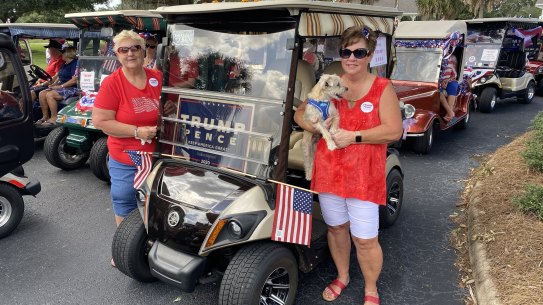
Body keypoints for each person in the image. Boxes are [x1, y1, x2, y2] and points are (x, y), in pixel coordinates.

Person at [294, 26, 403, 305]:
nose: (351, 57)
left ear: (369, 56)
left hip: (364, 176)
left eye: (359, 52)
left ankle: (371, 288)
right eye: (346, 52)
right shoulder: (329, 82)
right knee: (336, 229)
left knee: (365, 239)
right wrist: (315, 126)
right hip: (330, 171)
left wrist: (354, 136)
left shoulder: (382, 88)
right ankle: (343, 276)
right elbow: (299, 114)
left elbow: (393, 131)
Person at [91, 30, 162, 266]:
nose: (130, 53)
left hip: (159, 154)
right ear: (116, 54)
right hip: (126, 154)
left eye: (135, 48)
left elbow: (173, 105)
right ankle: (124, 247)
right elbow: (101, 121)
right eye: (124, 49)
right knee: (124, 198)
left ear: (144, 51)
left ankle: (157, 243)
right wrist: (137, 132)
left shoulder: (157, 78)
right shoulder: (112, 83)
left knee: (160, 200)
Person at [36, 46, 79, 126]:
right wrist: (53, 85)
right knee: (42, 93)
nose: (61, 54)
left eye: (62, 52)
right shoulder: (64, 64)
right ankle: (45, 117)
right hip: (62, 86)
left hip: (72, 88)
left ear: (67, 54)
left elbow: (74, 80)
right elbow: (59, 77)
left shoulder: (75, 63)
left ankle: (54, 118)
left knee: (50, 95)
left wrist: (60, 86)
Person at [440, 54, 459, 122]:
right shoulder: (436, 56)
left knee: (453, 87)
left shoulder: (452, 58)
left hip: (449, 80)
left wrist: (447, 80)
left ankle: (449, 114)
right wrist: (441, 82)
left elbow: (454, 74)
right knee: (437, 91)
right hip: (437, 81)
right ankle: (450, 112)